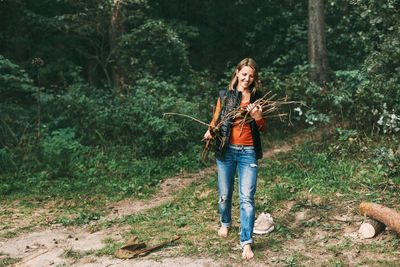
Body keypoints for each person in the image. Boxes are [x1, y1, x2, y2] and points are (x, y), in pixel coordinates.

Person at [204, 58, 266, 260]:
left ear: (254, 78)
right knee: (225, 193)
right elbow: (216, 120)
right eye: (244, 74)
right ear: (237, 73)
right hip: (226, 150)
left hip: (248, 152)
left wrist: (257, 118)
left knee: (247, 197)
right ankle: (225, 222)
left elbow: (263, 128)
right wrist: (210, 131)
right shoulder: (225, 95)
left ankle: (246, 242)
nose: (247, 78)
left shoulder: (258, 99)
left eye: (251, 76)